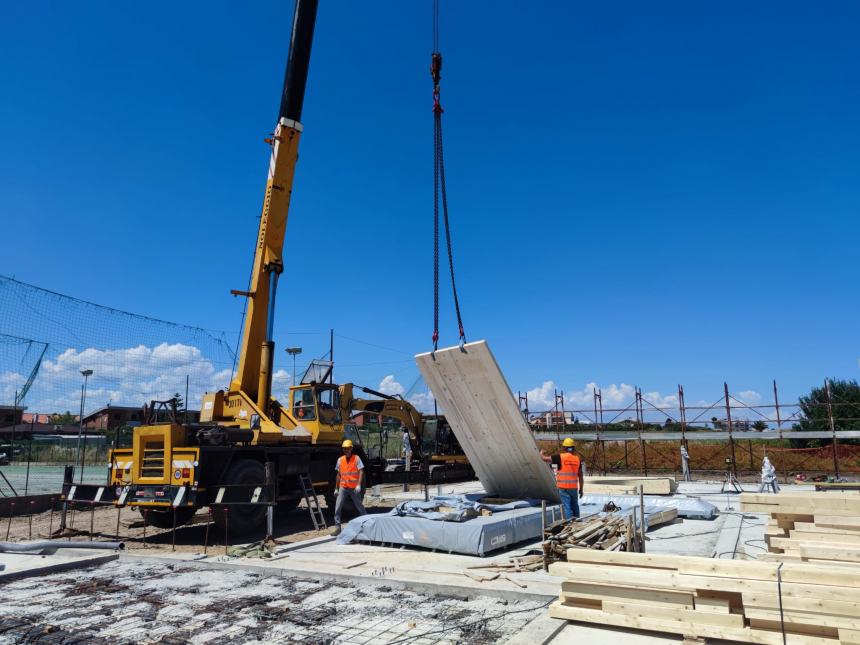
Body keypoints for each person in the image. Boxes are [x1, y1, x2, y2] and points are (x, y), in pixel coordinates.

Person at [540, 437, 584, 519]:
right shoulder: (577, 459)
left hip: (563, 487)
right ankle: (577, 521)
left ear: (564, 448)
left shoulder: (560, 457)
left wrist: (541, 453)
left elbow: (544, 459)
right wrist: (581, 489)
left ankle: (570, 524)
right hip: (573, 488)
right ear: (573, 448)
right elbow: (580, 475)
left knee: (567, 507)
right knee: (575, 505)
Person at [332, 439, 367, 535]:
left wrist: (359, 484)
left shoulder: (356, 458)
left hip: (354, 487)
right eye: (344, 449)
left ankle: (367, 523)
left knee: (359, 506)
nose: (346, 450)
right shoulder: (340, 460)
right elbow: (338, 474)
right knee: (337, 507)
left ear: (351, 448)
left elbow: (361, 471)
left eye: (347, 448)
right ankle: (337, 528)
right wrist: (336, 488)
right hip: (343, 487)